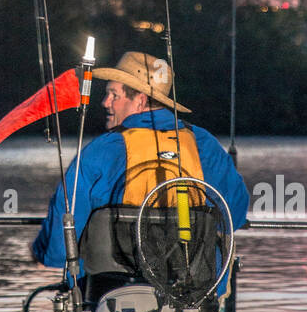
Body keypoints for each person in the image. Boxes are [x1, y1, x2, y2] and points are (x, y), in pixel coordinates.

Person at [31, 51, 248, 295]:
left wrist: (42, 252)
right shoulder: (203, 144)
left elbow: (64, 224)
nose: (105, 103)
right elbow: (235, 214)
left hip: (108, 293)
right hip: (193, 295)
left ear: (141, 101)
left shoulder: (99, 151)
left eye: (114, 95)